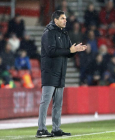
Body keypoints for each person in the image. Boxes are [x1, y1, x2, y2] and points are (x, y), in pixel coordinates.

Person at [36, 10, 87, 138]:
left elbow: (68, 52)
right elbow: (51, 51)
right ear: (55, 20)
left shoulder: (64, 33)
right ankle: (41, 129)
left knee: (58, 103)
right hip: (50, 72)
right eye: (63, 18)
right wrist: (69, 50)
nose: (65, 20)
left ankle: (56, 128)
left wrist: (74, 50)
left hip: (60, 72)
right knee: (45, 102)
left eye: (65, 18)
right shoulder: (48, 33)